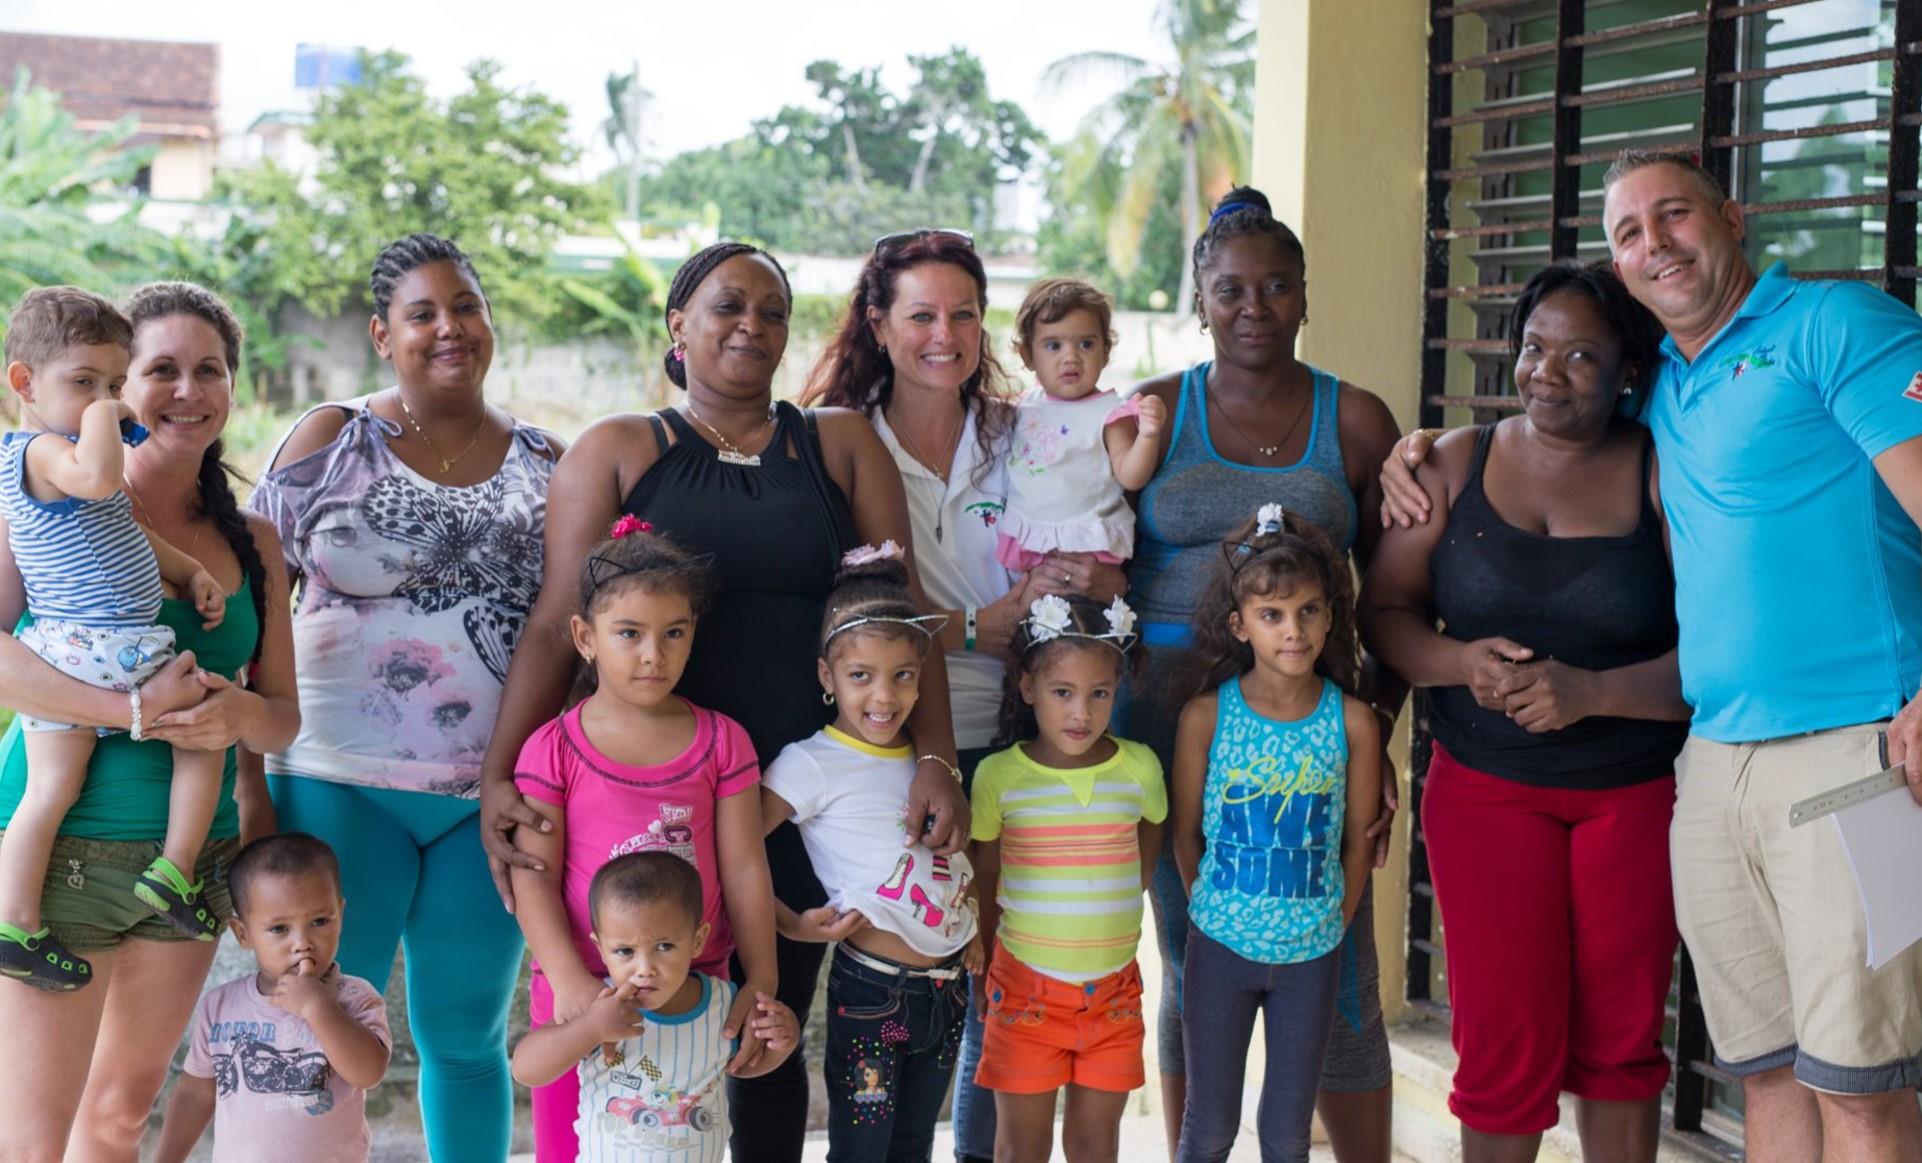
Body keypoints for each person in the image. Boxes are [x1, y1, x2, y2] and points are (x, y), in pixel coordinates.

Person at [1380, 149, 1922, 1162]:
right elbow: (1551, 417)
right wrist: (1413, 448)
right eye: (1628, 231)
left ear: (1731, 216)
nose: (1654, 243)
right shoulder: (1664, 386)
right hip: (1712, 762)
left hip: (1852, 746)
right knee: (1765, 1071)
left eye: (1672, 214)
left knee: (1859, 1082)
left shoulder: (1837, 324)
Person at [480, 240, 969, 1162]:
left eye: (773, 311)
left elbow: (903, 616)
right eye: (728, 306)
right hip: (660, 797)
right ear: (679, 324)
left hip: (807, 797)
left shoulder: (837, 442)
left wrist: (935, 758)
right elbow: (553, 624)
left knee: (767, 1026)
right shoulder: (620, 448)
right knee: (638, 1017)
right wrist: (499, 773)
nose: (753, 325)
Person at [805, 228, 1126, 1163]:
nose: (944, 335)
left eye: (964, 315)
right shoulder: (839, 437)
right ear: (877, 322)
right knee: (910, 974)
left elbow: (1107, 517)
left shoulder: (1021, 430)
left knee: (1006, 976)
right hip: (900, 743)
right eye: (920, 315)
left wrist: (1093, 578)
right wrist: (978, 626)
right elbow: (849, 610)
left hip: (1026, 733)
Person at [1359, 262, 1687, 1161]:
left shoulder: (1663, 472)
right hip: (1485, 789)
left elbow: (1722, 652)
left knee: (1621, 1044)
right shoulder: (1452, 462)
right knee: (1503, 1041)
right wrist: (1459, 662)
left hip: (1634, 795)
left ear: (1627, 370)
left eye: (1581, 356)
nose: (1548, 372)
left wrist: (1596, 691)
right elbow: (1383, 610)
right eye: (1535, 347)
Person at [248, 233, 554, 1159]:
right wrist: (242, 776)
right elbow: (249, 594)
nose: (449, 328)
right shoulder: (332, 439)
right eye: (422, 314)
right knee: (319, 1031)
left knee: (466, 1038)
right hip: (337, 783)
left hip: (482, 799)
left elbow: (572, 630)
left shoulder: (547, 461)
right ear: (384, 334)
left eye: (466, 307)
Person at [1123, 186, 1402, 1158]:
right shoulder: (1155, 411)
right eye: (1230, 289)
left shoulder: (1353, 418)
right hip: (1169, 722)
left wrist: (1372, 729)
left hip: (1311, 728)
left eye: (1276, 286)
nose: (1254, 306)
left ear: (1304, 295)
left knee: (1338, 956)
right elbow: (1091, 547)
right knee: (1190, 950)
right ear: (1200, 299)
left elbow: (1395, 591)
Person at [0, 280, 297, 1161]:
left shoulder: (255, 540)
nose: (187, 390)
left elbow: (282, 721)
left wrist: (237, 712)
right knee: (31, 1139)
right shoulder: (46, 498)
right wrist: (128, 709)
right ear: (121, 386)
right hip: (62, 855)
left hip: (186, 863)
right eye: (160, 368)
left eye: (210, 370)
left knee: (120, 1117)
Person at [509, 517, 775, 1162]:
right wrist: (572, 985)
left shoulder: (723, 741)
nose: (654, 654)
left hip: (693, 989)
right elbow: (533, 876)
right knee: (569, 1148)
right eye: (629, 633)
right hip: (583, 986)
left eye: (673, 633)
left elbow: (744, 868)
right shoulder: (553, 747)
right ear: (586, 637)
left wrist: (762, 977)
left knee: (680, 1139)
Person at [0, 288, 232, 987]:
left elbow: (125, 534)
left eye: (112, 381)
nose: (102, 398)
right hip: (103, 648)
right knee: (205, 724)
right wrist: (107, 413)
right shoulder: (42, 451)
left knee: (53, 788)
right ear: (24, 383)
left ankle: (16, 924)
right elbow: (103, 480)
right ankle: (176, 868)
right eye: (84, 382)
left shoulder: (64, 457)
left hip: (79, 651)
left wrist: (189, 570)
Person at [1172, 505, 1381, 1163]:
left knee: (1288, 1134)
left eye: (1309, 611)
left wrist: (1332, 922)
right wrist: (1211, 909)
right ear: (1240, 624)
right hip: (1219, 949)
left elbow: (1358, 842)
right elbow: (1185, 833)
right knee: (1209, 1127)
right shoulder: (1207, 716)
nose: (1294, 630)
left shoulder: (1353, 723)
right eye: (1272, 615)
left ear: (1330, 616)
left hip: (1311, 956)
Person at [761, 546, 982, 1161]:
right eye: (861, 676)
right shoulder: (810, 763)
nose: (884, 696)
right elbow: (733, 845)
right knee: (861, 1151)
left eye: (903, 675)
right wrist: (788, 923)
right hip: (874, 992)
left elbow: (947, 861)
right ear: (826, 676)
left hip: (948, 989)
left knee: (914, 1147)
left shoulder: (929, 763)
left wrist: (972, 929)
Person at [971, 593, 1163, 1162]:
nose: (1081, 713)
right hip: (1025, 989)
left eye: (1099, 693)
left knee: (1095, 1147)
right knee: (1020, 1149)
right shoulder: (999, 777)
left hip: (1114, 995)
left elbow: (1149, 836)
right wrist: (982, 961)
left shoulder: (1140, 767)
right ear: (1028, 687)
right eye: (1063, 693)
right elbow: (985, 874)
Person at [511, 850, 801, 1163]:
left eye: (664, 946)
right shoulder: (599, 1006)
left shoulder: (723, 1006)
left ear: (697, 940)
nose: (645, 968)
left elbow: (742, 1067)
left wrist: (783, 1044)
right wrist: (590, 1029)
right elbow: (526, 1070)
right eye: (625, 951)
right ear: (601, 949)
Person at [154, 832, 391, 1163]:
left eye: (320, 921)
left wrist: (318, 1007)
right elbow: (196, 1094)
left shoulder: (353, 997)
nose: (302, 942)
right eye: (280, 929)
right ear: (243, 933)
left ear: (340, 915)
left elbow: (368, 1073)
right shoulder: (220, 1006)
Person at [996, 277, 1166, 570]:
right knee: (1030, 594)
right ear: (1028, 355)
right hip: (1030, 534)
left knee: (1071, 598)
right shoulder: (1024, 405)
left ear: (1106, 352)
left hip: (1084, 543)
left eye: (1086, 344)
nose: (1071, 357)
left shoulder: (1110, 413)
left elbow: (1131, 477)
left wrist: (1148, 435)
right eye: (1053, 346)